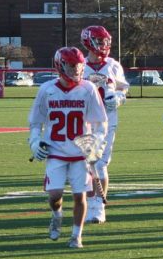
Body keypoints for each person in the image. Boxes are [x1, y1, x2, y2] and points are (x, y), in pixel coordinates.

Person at [28, 47, 108, 248]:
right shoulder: (47, 89)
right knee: (55, 195)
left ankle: (76, 235)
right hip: (55, 151)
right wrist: (35, 142)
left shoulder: (88, 88)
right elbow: (35, 123)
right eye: (72, 65)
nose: (77, 70)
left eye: (79, 65)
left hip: (80, 153)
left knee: (79, 195)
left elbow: (101, 123)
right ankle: (56, 215)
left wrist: (96, 143)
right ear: (60, 65)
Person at [80, 25, 129, 224]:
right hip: (85, 122)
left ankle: (99, 207)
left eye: (105, 41)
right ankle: (92, 204)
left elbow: (124, 89)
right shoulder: (80, 65)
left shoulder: (113, 65)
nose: (103, 45)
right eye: (99, 41)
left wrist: (118, 97)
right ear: (88, 42)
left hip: (107, 121)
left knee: (99, 164)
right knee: (87, 165)